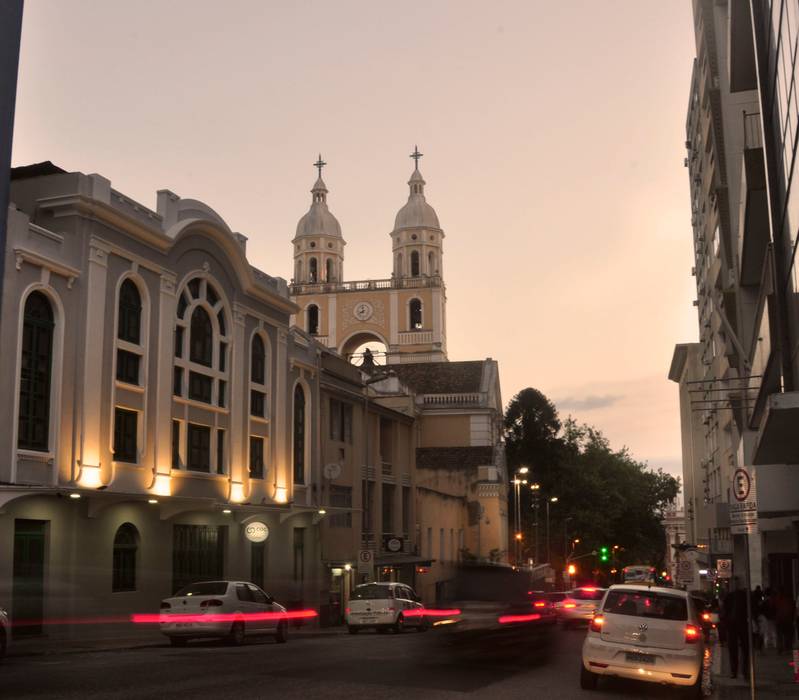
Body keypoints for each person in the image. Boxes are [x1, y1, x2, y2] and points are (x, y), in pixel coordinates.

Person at [726, 585, 750, 680]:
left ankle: (738, 671)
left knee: (737, 649)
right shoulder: (743, 597)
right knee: (741, 649)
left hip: (738, 625)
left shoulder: (743, 597)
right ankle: (740, 671)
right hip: (738, 625)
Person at [775, 588, 796, 654]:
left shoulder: (777, 600)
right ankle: (787, 647)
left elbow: (773, 608)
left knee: (780, 635)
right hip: (787, 619)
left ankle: (780, 648)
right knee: (788, 634)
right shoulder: (789, 600)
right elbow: (793, 610)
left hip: (780, 619)